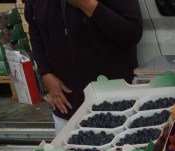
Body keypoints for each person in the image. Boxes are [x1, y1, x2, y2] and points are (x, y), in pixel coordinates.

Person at [24, 0, 143, 132]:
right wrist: (45, 73)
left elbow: (132, 32)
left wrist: (85, 4)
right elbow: (35, 31)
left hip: (114, 110)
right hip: (66, 106)